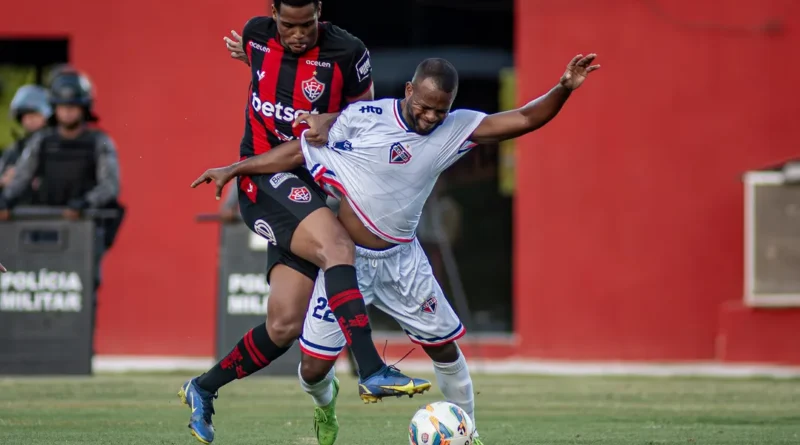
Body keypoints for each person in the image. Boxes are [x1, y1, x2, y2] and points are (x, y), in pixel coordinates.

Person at [192, 54, 600, 445]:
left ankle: (469, 431)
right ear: (408, 90)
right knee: (313, 369)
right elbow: (300, 150)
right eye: (424, 107)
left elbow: (525, 118)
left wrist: (563, 88)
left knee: (444, 346)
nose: (430, 118)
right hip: (347, 261)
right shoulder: (363, 120)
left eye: (440, 111)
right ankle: (325, 405)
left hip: (404, 262)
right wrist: (236, 167)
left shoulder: (454, 128)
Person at [178, 1, 429, 443]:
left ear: (320, 12)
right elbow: (262, 68)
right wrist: (235, 169)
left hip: (312, 187)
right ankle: (371, 370)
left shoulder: (348, 53)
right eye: (287, 25)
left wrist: (331, 122)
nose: (297, 35)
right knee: (337, 247)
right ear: (273, 15)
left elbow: (364, 121)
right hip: (263, 177)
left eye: (307, 24)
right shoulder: (256, 35)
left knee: (284, 325)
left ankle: (202, 388)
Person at [0, 70, 123, 292]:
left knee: (81, 292)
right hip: (43, 229)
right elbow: (22, 177)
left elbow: (110, 185)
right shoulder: (42, 142)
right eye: (62, 106)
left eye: (73, 107)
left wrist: (84, 203)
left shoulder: (99, 142)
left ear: (84, 108)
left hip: (83, 230)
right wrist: (5, 200)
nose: (66, 113)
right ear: (54, 108)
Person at [0, 85, 51, 198]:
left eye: (34, 115)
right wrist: (5, 180)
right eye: (25, 116)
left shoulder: (57, 145)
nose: (29, 120)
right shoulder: (14, 149)